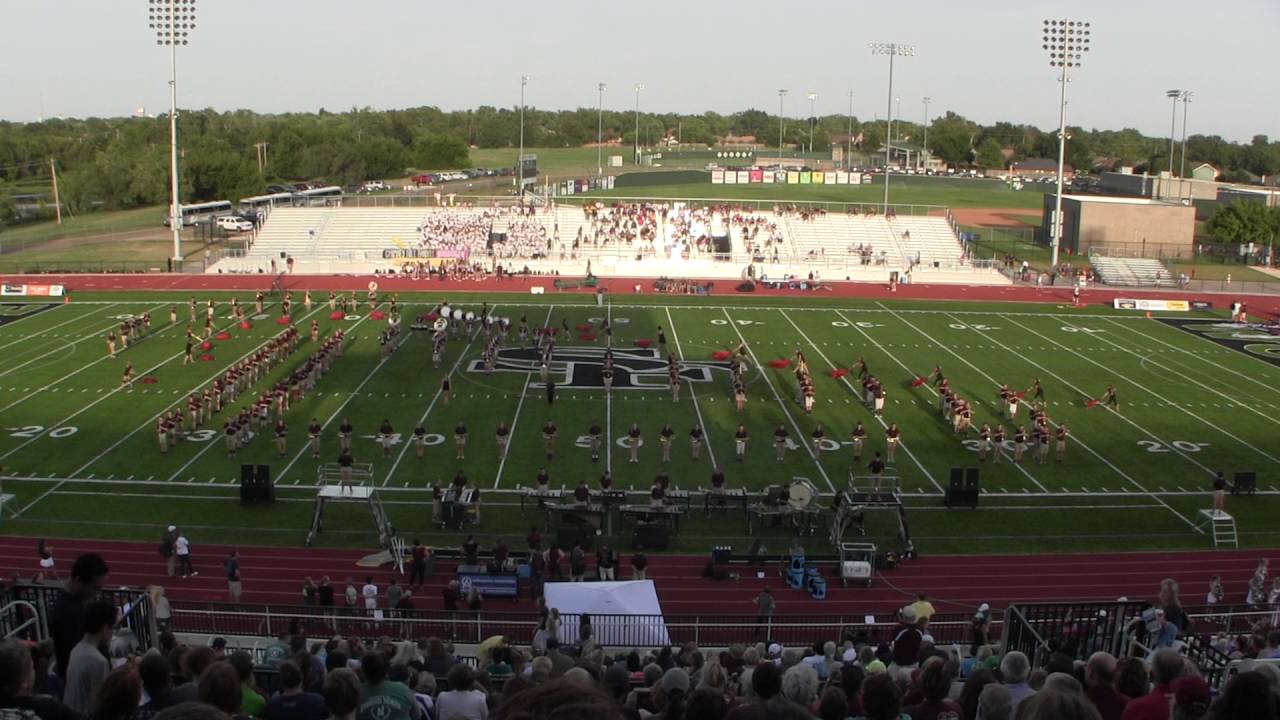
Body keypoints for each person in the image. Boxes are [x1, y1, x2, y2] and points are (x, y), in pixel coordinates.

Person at [63, 600, 116, 714]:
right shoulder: (99, 661)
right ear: (105, 628)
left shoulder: (76, 649)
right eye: (112, 628)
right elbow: (98, 705)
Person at [357, 652, 421, 720]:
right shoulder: (403, 689)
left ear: (363, 672)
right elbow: (417, 716)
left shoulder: (356, 693)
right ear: (386, 670)